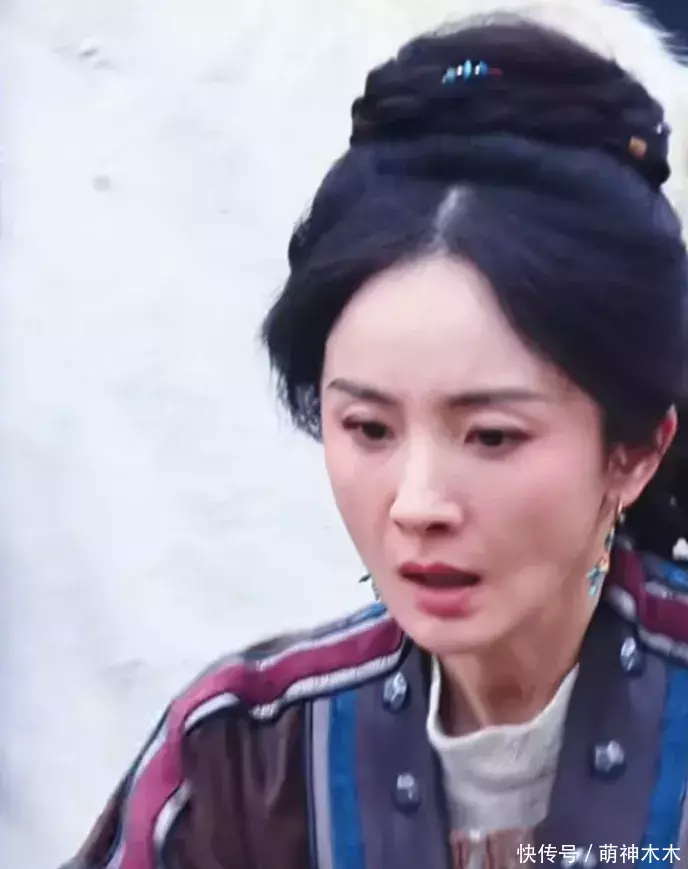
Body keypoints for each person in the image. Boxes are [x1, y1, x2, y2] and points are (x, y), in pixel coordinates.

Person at [63, 11, 688, 869]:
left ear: (636, 449)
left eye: (491, 434)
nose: (417, 503)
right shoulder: (237, 762)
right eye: (368, 427)